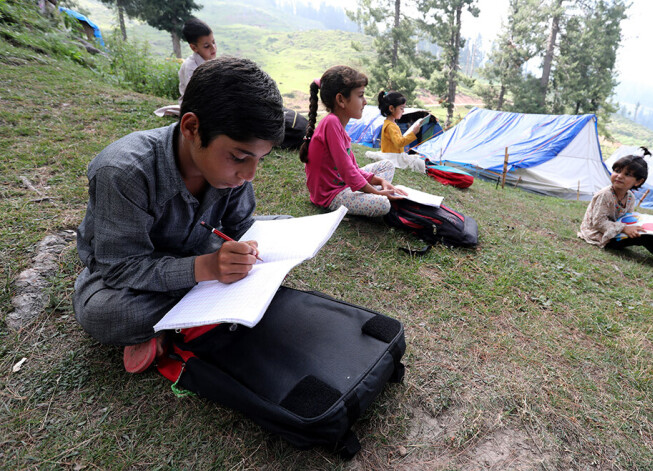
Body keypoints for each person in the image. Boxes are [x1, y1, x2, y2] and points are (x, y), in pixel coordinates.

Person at [73, 56, 285, 373]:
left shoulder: (230, 173)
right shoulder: (124, 172)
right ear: (191, 127)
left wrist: (246, 249)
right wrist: (209, 267)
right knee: (103, 314)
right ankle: (207, 315)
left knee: (283, 229)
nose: (249, 174)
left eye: (259, 160)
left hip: (196, 250)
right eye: (240, 157)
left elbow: (241, 226)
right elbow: (120, 269)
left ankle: (173, 329)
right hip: (131, 276)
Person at [299, 66, 406, 218]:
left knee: (386, 166)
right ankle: (374, 194)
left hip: (345, 184)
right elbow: (348, 172)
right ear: (341, 100)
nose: (365, 102)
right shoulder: (331, 124)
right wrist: (377, 192)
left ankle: (372, 191)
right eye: (360, 96)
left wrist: (381, 181)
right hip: (331, 196)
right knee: (383, 204)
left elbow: (353, 169)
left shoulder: (338, 126)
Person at [578, 155, 653, 258]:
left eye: (627, 174)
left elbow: (626, 218)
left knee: (646, 234)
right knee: (648, 239)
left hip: (617, 232)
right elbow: (598, 223)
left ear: (638, 181)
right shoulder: (605, 194)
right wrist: (624, 228)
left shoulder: (630, 197)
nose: (620, 176)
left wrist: (632, 227)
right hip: (599, 235)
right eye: (617, 171)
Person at [178, 18, 217, 104]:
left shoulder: (212, 61)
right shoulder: (191, 67)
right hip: (194, 105)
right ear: (194, 48)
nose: (213, 48)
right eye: (207, 46)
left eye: (213, 42)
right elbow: (194, 95)